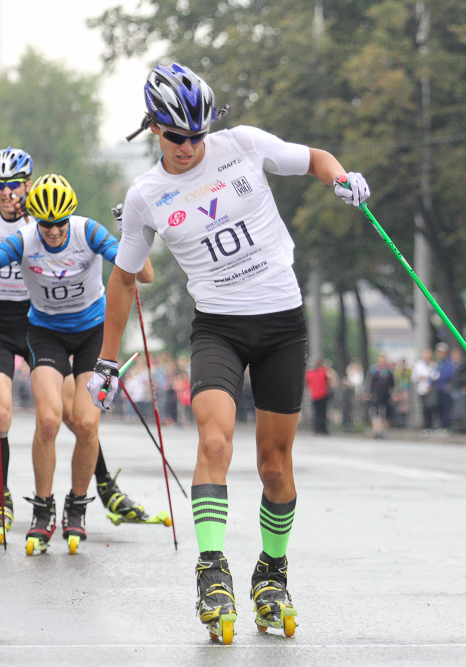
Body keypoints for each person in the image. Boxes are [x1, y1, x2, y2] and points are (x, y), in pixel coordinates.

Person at [85, 62, 370, 642]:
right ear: (154, 130)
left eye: (197, 135)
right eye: (176, 136)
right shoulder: (145, 196)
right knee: (214, 441)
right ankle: (212, 570)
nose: (189, 147)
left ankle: (272, 572)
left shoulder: (241, 146)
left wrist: (341, 177)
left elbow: (313, 157)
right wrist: (107, 359)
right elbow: (123, 279)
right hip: (218, 326)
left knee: (274, 466)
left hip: (282, 323)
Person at [0, 147, 152, 544]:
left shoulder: (64, 221)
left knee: (83, 419)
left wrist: (132, 236)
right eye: (0, 186)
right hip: (16, 326)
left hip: (62, 322)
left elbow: (139, 273)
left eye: (15, 186)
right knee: (21, 416)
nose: (8, 193)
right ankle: (21, 503)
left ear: (29, 186)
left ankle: (95, 494)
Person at [366, 354, 394, 439]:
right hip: (376, 393)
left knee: (386, 413)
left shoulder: (388, 371)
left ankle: (384, 431)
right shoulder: (373, 370)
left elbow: (392, 383)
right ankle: (376, 430)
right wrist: (367, 392)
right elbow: (369, 381)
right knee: (375, 412)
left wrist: (393, 392)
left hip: (385, 394)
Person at [305, 358, 333, 434]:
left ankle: (316, 429)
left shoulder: (309, 373)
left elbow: (307, 383)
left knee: (316, 413)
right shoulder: (324, 371)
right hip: (323, 395)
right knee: (323, 413)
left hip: (314, 395)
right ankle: (323, 429)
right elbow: (330, 378)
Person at [411, 348, 437, 429]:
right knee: (425, 408)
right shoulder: (418, 364)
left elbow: (436, 375)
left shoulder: (433, 364)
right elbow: (413, 377)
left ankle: (432, 426)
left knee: (432, 407)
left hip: (431, 389)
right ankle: (426, 426)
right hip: (422, 389)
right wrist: (421, 377)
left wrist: (428, 377)